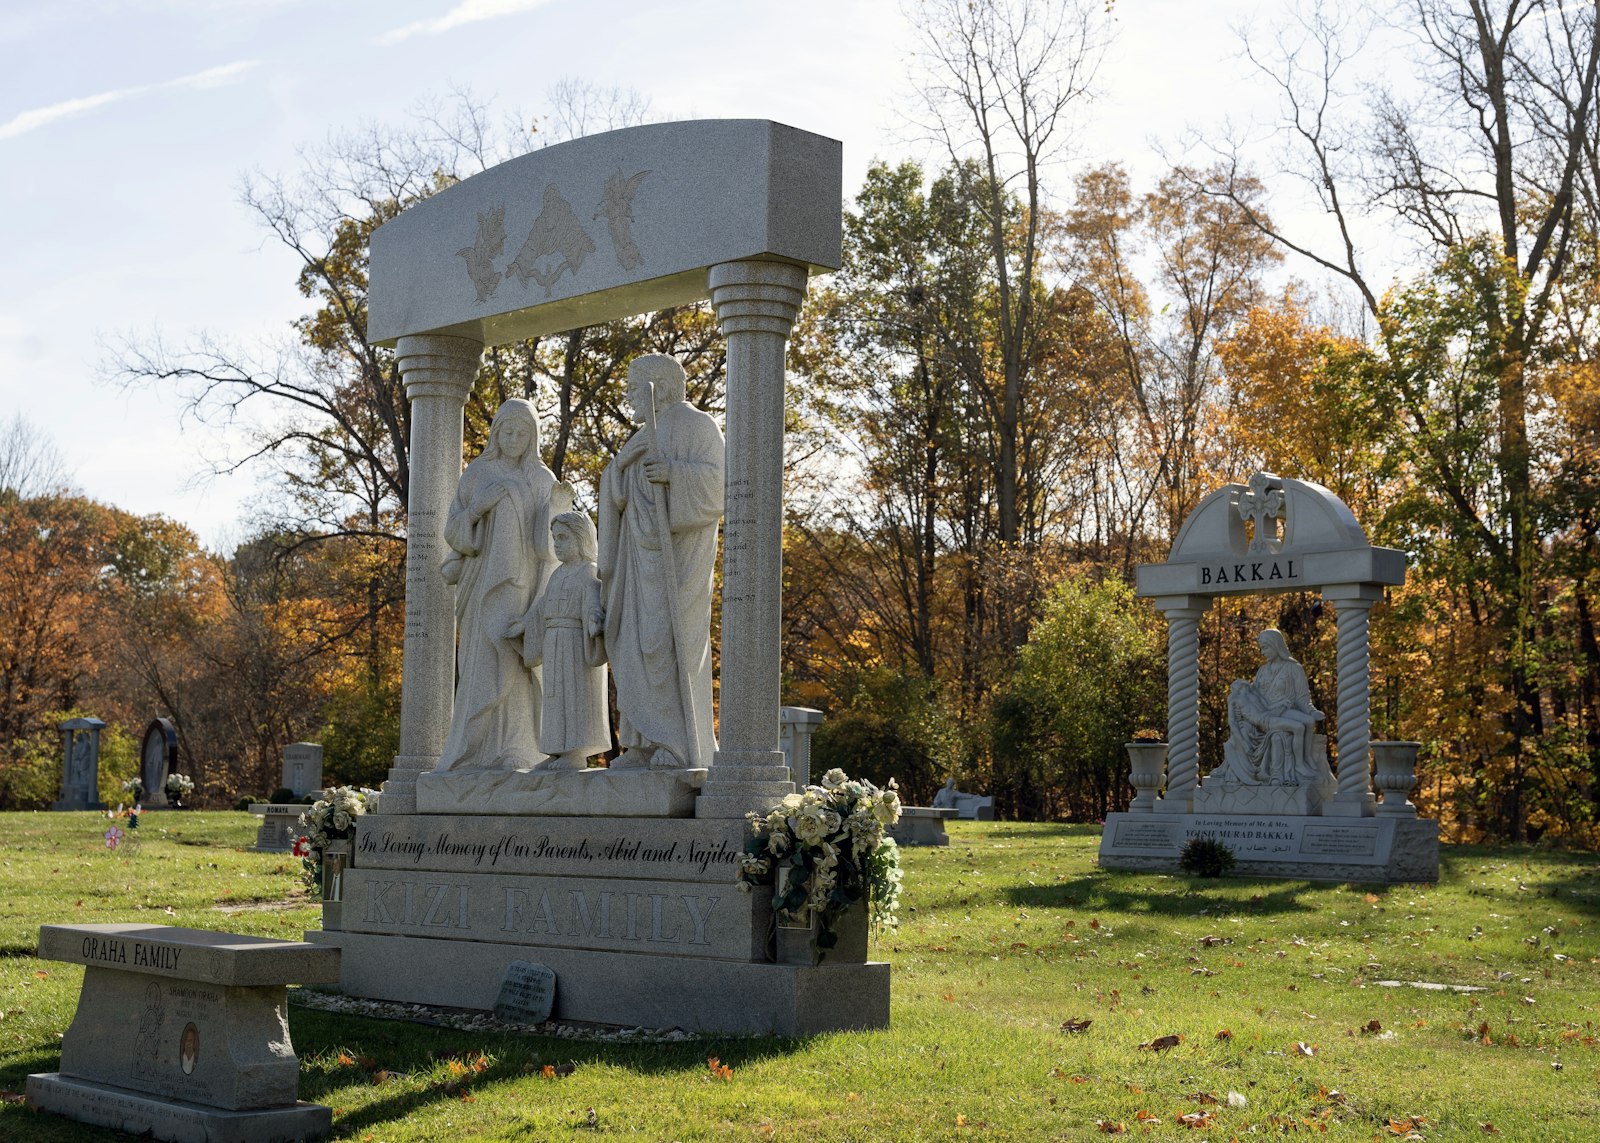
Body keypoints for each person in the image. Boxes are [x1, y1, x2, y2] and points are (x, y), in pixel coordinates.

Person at [598, 355, 724, 770]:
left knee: (673, 643)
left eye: (636, 388)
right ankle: (640, 743)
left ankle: (679, 746)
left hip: (679, 562)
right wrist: (620, 469)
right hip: (637, 564)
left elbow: (716, 487)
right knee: (634, 642)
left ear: (659, 387)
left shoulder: (698, 426)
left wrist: (673, 473)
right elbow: (615, 494)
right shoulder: (640, 437)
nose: (630, 397)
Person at [435, 399, 574, 771]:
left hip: (526, 585)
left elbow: (551, 544)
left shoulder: (541, 477)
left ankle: (518, 749)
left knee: (518, 665)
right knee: (483, 662)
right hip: (483, 586)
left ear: (533, 437)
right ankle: (473, 753)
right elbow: (454, 531)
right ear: (496, 434)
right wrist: (479, 508)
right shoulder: (478, 472)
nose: (513, 439)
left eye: (522, 433)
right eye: (507, 431)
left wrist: (556, 507)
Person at [510, 511, 610, 771]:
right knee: (554, 697)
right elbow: (542, 607)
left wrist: (594, 620)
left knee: (574, 696)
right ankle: (556, 750)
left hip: (576, 644)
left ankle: (575, 752)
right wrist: (524, 624)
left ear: (581, 539)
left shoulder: (588, 571)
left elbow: (593, 601)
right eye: (555, 538)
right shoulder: (557, 574)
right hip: (553, 643)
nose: (557, 544)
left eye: (563, 538)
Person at [1215, 629, 1325, 785]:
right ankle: (1299, 765)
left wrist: (1312, 711)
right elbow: (1253, 696)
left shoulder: (1294, 668)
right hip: (1267, 713)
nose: (1262, 652)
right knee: (1300, 726)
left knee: (1309, 721)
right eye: (1261, 647)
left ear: (1276, 645)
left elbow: (1302, 698)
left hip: (1285, 710)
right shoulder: (1262, 671)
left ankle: (1304, 761)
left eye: (1265, 647)